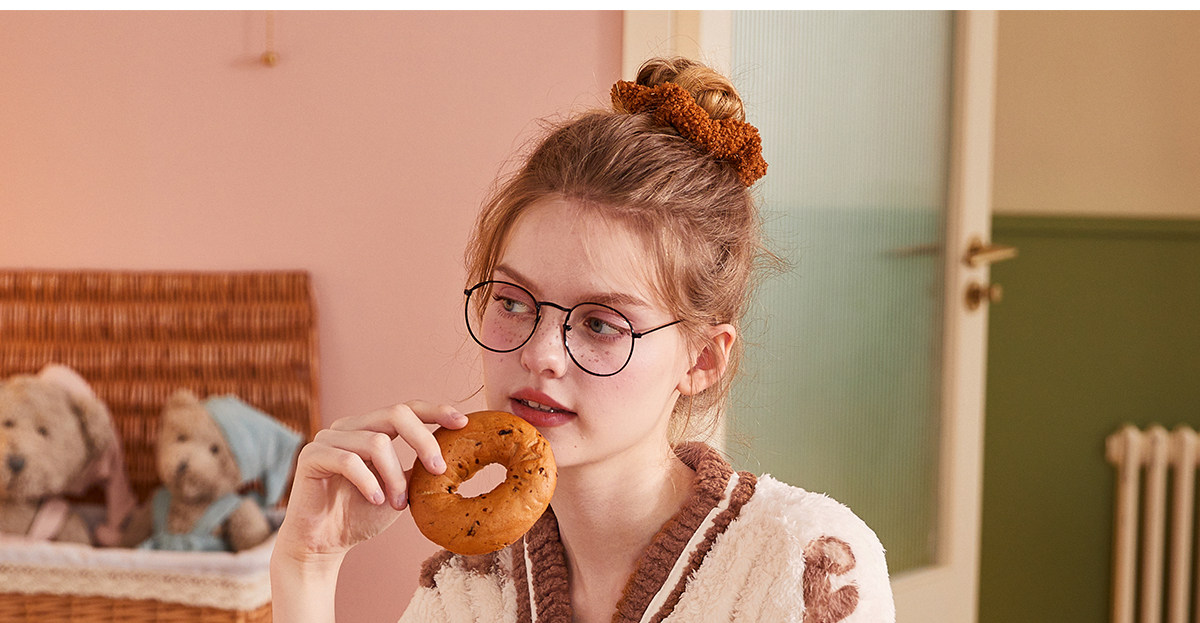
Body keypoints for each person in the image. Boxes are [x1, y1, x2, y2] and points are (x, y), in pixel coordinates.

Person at [270, 57, 894, 623]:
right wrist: (308, 566)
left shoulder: (805, 565)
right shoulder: (469, 588)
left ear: (701, 359)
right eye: (513, 302)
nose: (539, 354)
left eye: (600, 324)